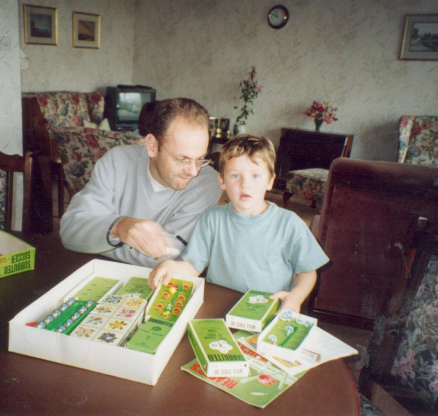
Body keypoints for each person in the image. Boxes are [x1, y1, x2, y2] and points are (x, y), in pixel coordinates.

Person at [148, 134, 329, 313]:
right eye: (235, 175)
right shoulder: (211, 220)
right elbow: (193, 266)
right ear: (222, 181)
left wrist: (296, 296)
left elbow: (307, 271)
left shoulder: (289, 224)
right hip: (219, 307)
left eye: (255, 176)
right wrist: (172, 266)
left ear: (270, 181)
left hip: (269, 311)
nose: (245, 185)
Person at [60, 98, 222, 268]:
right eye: (182, 159)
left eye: (200, 159)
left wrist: (101, 237)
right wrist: (119, 226)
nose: (193, 171)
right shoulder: (117, 161)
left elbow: (166, 259)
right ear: (152, 146)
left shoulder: (207, 184)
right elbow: (70, 231)